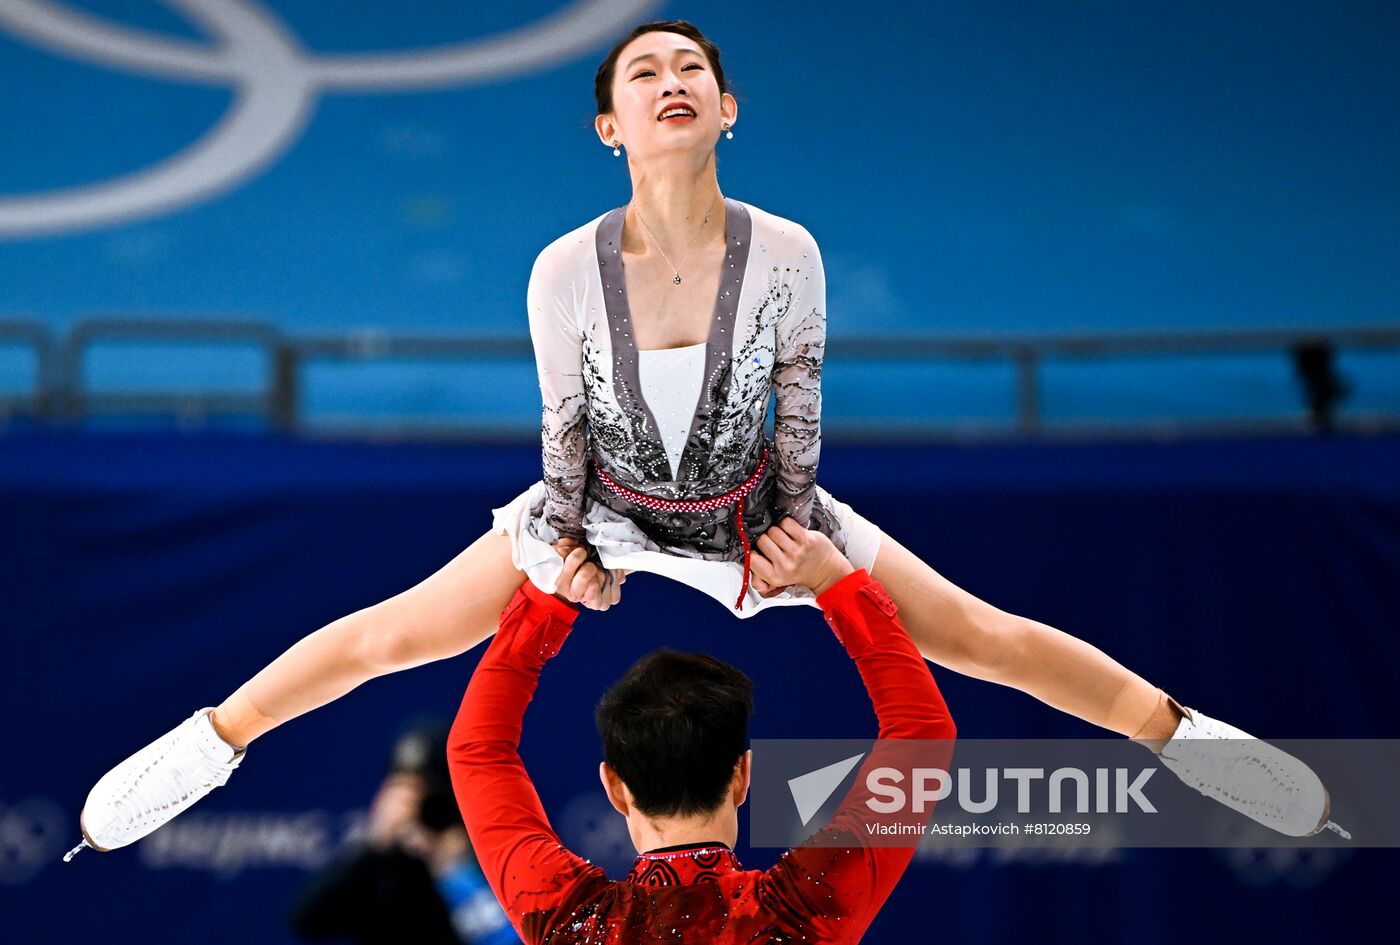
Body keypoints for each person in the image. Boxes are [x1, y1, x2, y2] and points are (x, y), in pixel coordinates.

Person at [64, 18, 1335, 863]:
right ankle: (203, 748)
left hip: (763, 513)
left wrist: (792, 546)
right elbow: (564, 424)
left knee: (986, 641)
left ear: (726, 106)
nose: (668, 84)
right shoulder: (563, 267)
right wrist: (564, 547)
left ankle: (1188, 739)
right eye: (640, 76)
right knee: (382, 636)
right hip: (602, 502)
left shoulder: (784, 252)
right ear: (610, 127)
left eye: (688, 71)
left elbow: (797, 406)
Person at [450, 516, 956, 943]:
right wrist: (833, 581)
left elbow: (478, 749)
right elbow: (923, 736)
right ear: (742, 777)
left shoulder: (573, 922)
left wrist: (551, 602)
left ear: (615, 788)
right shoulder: (799, 911)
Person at [288, 721, 518, 945]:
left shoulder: (495, 852)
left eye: (429, 793)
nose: (423, 807)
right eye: (407, 791)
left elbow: (514, 936)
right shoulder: (385, 861)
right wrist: (376, 843)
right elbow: (306, 921)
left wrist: (452, 872)